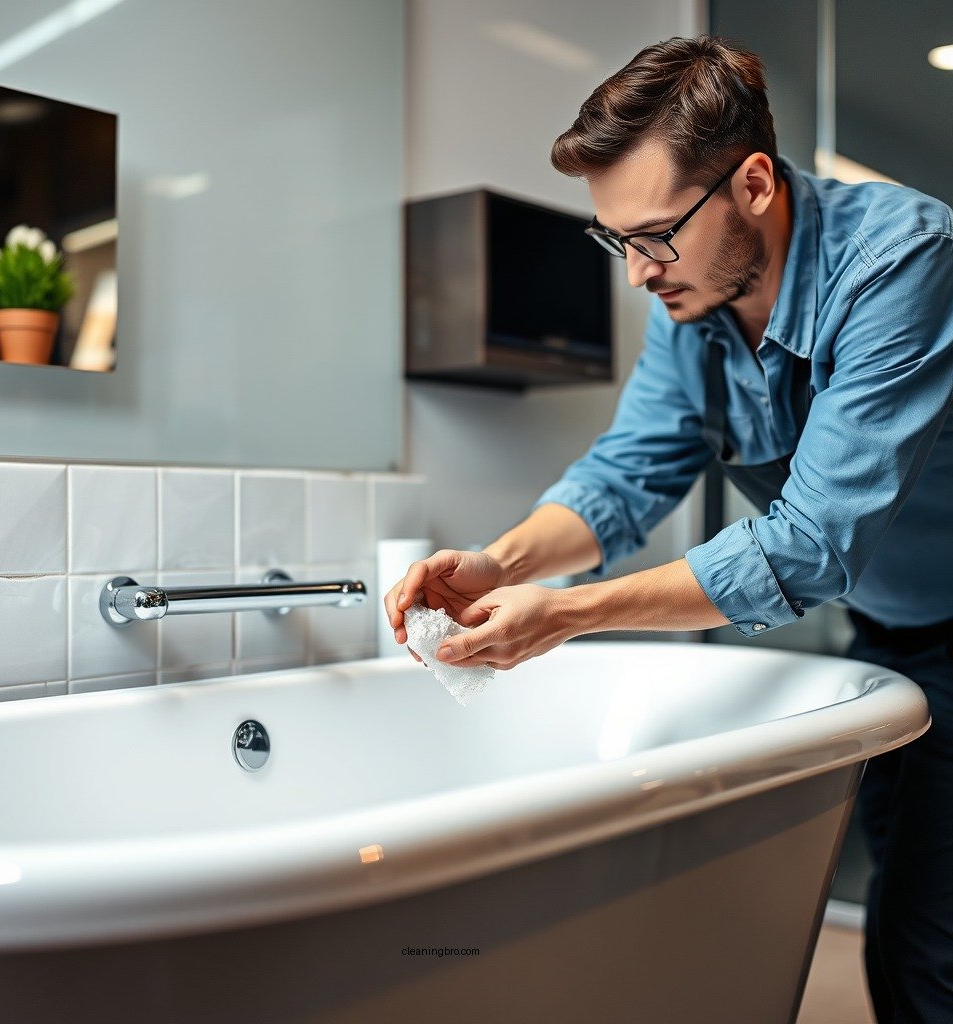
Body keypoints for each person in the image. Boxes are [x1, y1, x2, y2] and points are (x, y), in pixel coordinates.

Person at [384, 34, 953, 1023]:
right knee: (903, 918)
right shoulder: (693, 300)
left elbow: (810, 543)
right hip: (891, 626)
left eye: (654, 236)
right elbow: (625, 476)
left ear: (755, 184)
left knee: (924, 949)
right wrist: (499, 562)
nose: (638, 275)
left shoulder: (900, 261)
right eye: (618, 242)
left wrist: (568, 615)